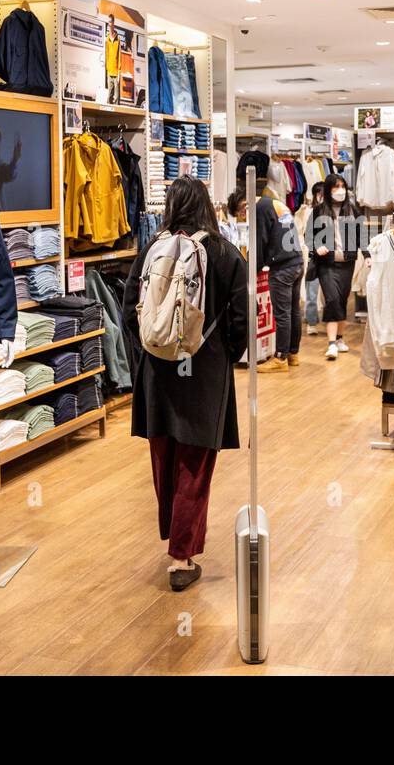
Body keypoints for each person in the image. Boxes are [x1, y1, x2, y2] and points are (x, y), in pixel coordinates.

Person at [121, 176, 250, 591]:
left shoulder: (151, 251)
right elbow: (240, 322)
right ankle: (181, 557)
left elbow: (129, 314)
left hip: (158, 374)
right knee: (195, 465)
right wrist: (224, 354)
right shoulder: (227, 254)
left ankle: (174, 538)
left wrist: (150, 354)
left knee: (164, 459)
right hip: (203, 372)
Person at [307, 174, 366, 360]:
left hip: (347, 263)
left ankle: (340, 339)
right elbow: (308, 236)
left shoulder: (353, 211)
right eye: (335, 187)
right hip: (327, 264)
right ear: (328, 190)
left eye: (343, 186)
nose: (340, 191)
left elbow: (362, 236)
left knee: (341, 300)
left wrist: (368, 256)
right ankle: (331, 344)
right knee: (331, 299)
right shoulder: (319, 211)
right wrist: (317, 247)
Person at [252, 166, 304, 372]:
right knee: (293, 311)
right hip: (296, 260)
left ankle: (280, 358)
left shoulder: (260, 208)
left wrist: (253, 268)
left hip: (282, 267)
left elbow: (260, 239)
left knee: (282, 313)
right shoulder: (276, 204)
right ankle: (293, 353)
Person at [301, 181, 325, 336]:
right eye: (319, 193)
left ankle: (331, 323)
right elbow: (306, 235)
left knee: (331, 294)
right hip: (313, 258)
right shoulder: (310, 211)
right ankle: (311, 321)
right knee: (311, 292)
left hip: (332, 259)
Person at [105, 15, 121, 104]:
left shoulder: (118, 39)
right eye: (108, 22)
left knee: (116, 96)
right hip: (109, 70)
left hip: (116, 71)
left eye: (110, 22)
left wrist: (119, 72)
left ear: (113, 23)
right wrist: (107, 69)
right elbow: (106, 54)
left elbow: (119, 56)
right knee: (109, 95)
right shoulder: (107, 39)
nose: (109, 24)